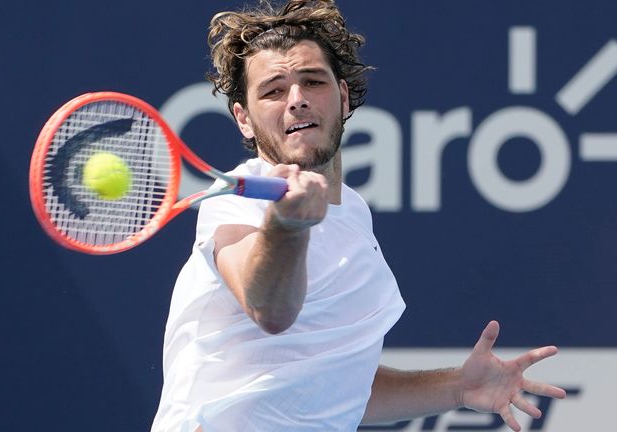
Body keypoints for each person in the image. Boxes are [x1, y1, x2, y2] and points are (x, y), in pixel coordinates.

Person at [151, 1, 566, 431]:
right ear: (244, 120)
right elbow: (268, 310)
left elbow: (336, 390)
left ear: (344, 97)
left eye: (312, 82)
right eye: (273, 90)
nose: (296, 100)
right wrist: (287, 227)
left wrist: (459, 387)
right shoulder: (236, 202)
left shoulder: (352, 214)